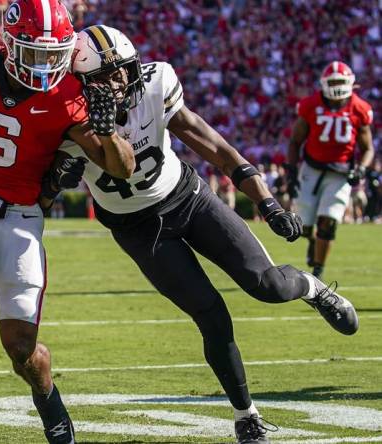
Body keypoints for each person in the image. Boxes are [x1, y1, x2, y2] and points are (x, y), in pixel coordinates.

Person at [59, 25, 359, 444]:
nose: (117, 82)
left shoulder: (154, 83)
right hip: (138, 229)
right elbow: (38, 190)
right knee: (212, 316)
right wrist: (55, 175)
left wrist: (266, 201)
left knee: (268, 285)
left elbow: (210, 143)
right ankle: (246, 415)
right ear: (79, 82)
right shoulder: (63, 114)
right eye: (102, 78)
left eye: (122, 71)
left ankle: (312, 287)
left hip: (188, 199)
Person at [0, 2, 135, 442]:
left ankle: (49, 400)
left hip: (20, 216)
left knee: (21, 348)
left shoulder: (69, 92)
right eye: (35, 52)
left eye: (55, 54)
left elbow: (121, 168)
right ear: (10, 44)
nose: (46, 63)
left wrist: (109, 132)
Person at [286, 61, 374, 279]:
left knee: (329, 221)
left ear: (350, 83)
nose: (336, 86)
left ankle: (318, 271)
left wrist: (361, 169)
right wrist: (291, 172)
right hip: (312, 168)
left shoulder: (359, 108)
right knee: (303, 226)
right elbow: (295, 141)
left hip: (341, 173)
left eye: (340, 82)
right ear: (323, 83)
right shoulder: (310, 105)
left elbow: (368, 148)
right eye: (332, 81)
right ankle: (312, 240)